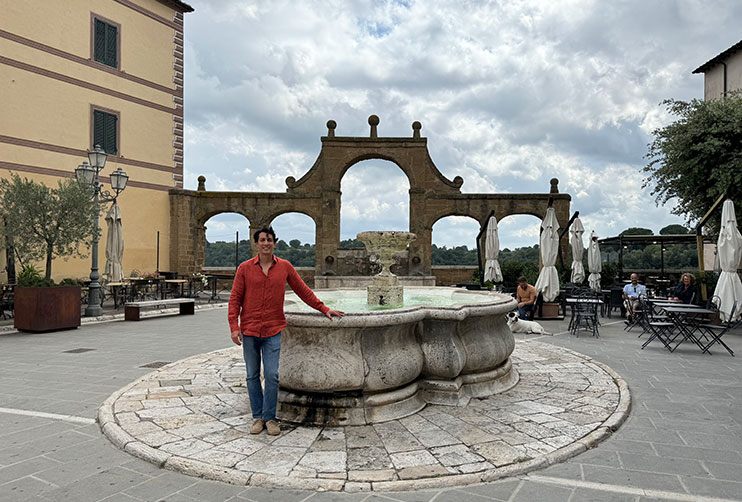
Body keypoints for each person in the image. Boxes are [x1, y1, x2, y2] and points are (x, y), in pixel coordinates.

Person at [228, 226, 344, 436]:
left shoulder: (284, 267)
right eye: (262, 240)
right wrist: (234, 327)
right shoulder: (244, 268)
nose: (266, 243)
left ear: (274, 242)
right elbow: (235, 298)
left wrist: (323, 308)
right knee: (252, 375)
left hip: (273, 328)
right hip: (250, 329)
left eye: (269, 240)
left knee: (272, 375)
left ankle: (270, 418)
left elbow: (302, 291)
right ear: (256, 243)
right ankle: (258, 417)